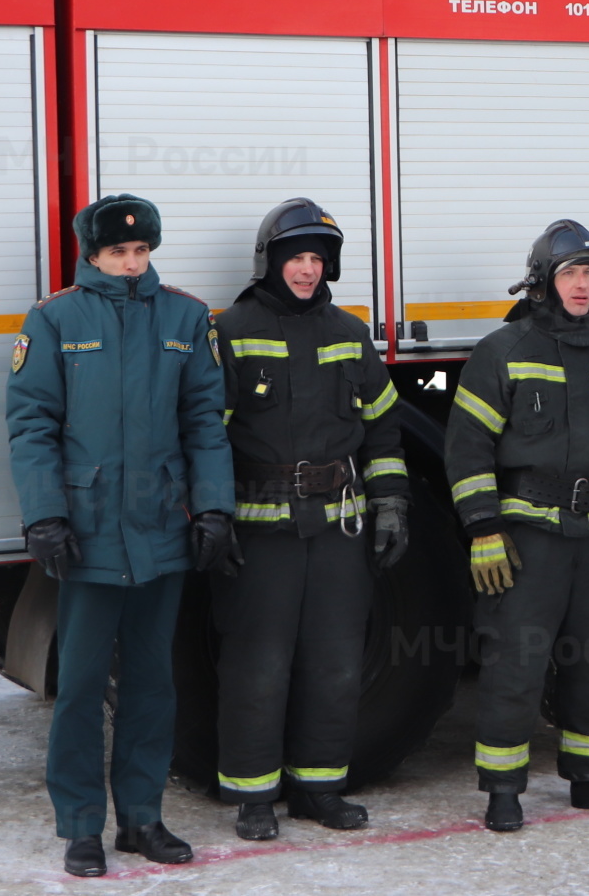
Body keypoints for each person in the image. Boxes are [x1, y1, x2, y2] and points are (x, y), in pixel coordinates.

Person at [6, 194, 238, 878]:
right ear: (93, 254)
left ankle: (141, 816)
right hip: (89, 535)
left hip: (162, 530)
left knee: (151, 682)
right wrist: (45, 514)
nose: (132, 263)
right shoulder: (54, 319)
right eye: (118, 252)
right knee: (78, 686)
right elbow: (32, 423)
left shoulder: (187, 317)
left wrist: (215, 509)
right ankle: (81, 825)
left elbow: (205, 420)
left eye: (141, 251)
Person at [444, 220, 589, 832]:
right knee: (516, 662)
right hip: (529, 539)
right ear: (543, 282)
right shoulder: (503, 352)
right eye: (570, 273)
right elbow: (467, 449)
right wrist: (484, 528)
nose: (582, 285)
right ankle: (503, 789)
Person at [210, 198, 410, 840]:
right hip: (262, 534)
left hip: (338, 533)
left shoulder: (349, 332)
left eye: (317, 259)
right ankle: (252, 796)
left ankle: (320, 790)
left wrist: (392, 506)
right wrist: (214, 517)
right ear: (270, 261)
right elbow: (206, 435)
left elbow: (382, 428)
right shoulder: (232, 329)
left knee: (335, 663)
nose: (306, 270)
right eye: (295, 257)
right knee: (258, 664)